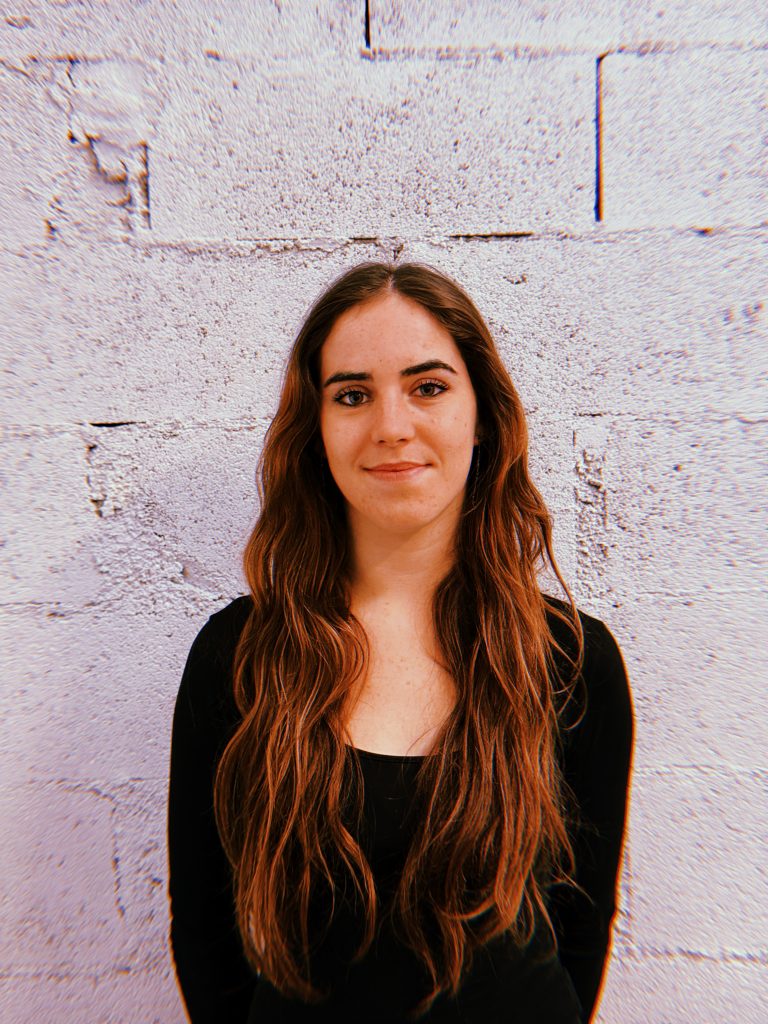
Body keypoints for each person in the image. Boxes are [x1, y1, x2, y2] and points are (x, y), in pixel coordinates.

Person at [167, 261, 634, 1023]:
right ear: (316, 430)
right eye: (352, 395)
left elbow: (582, 930)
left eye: (428, 387)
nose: (391, 426)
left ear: (482, 416)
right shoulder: (240, 655)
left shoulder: (571, 660)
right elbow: (205, 931)